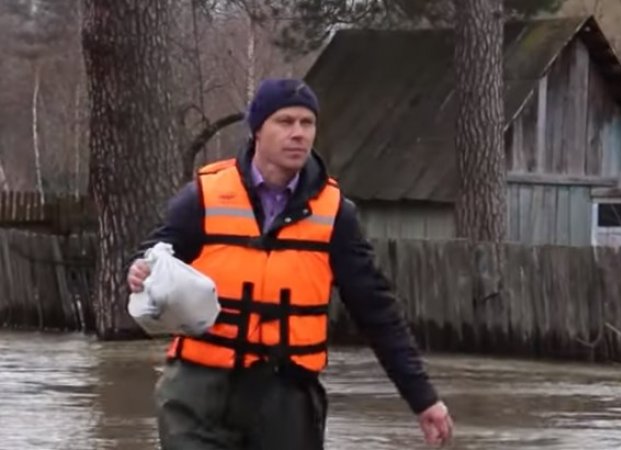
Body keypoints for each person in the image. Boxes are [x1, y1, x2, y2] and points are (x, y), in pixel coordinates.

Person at [126, 78, 454, 449]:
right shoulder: (203, 196)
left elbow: (377, 311)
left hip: (286, 393)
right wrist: (141, 269)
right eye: (285, 122)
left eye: (306, 123)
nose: (298, 133)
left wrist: (423, 399)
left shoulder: (336, 215)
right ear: (257, 130)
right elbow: (158, 250)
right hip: (200, 390)